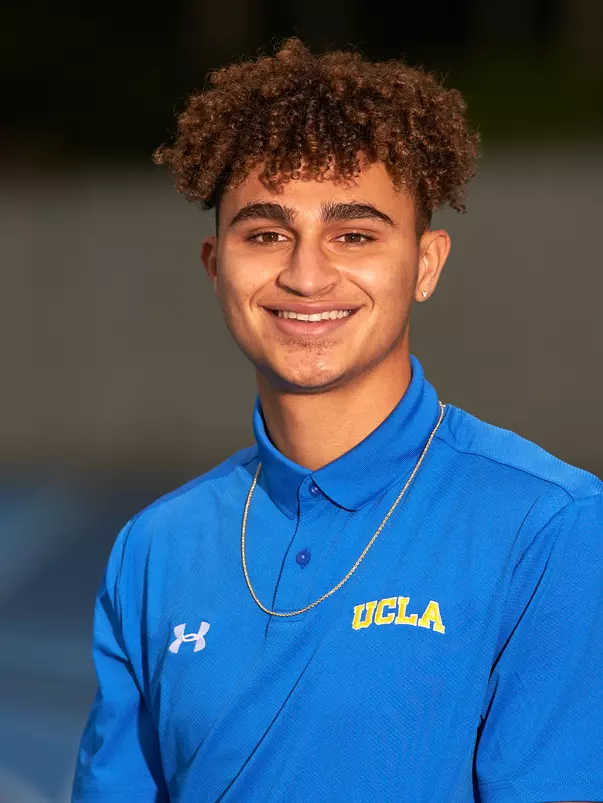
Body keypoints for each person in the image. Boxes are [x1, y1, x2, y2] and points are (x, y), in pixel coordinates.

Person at [72, 38, 603, 803]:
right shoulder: (154, 547)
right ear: (215, 264)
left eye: (353, 234)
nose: (306, 273)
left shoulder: (552, 527)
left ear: (424, 263)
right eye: (265, 233)